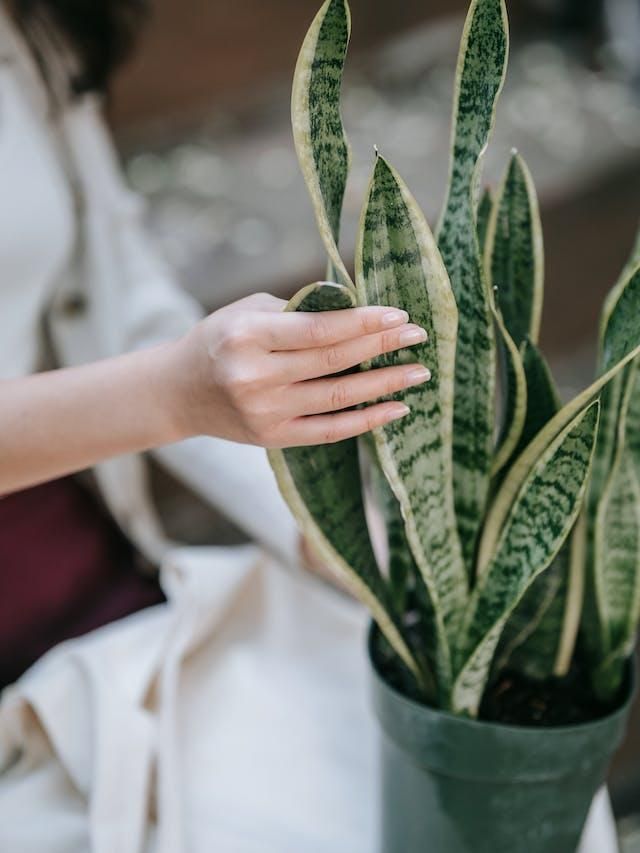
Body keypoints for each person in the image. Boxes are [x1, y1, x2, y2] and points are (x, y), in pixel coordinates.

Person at [0, 2, 618, 851]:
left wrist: (334, 535)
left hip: (98, 582)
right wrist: (172, 393)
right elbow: (161, 375)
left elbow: (123, 295)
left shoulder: (24, 27)